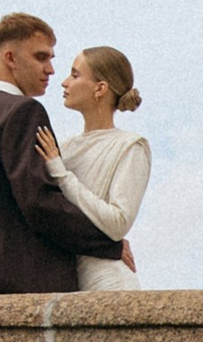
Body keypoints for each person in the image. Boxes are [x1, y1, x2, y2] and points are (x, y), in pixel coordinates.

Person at [0, 13, 107, 295]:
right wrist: (108, 242)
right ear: (10, 58)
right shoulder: (23, 111)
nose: (51, 69)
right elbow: (40, 202)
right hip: (20, 292)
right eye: (41, 57)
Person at [37, 46, 150, 290]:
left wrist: (62, 174)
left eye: (75, 75)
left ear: (100, 88)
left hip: (109, 284)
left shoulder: (130, 147)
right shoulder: (63, 149)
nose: (64, 82)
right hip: (67, 282)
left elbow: (118, 223)